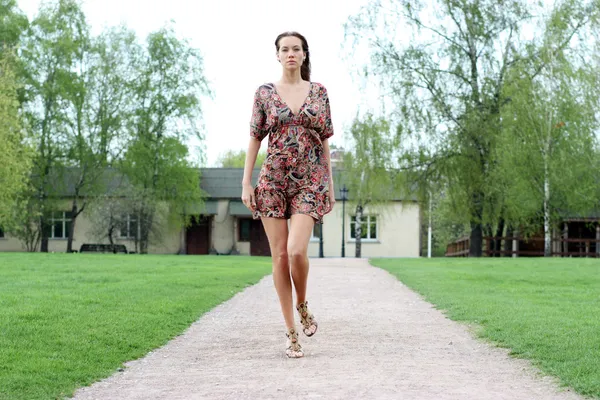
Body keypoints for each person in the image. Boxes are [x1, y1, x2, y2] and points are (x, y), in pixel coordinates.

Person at [241, 31, 336, 358]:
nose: (291, 53)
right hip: (273, 182)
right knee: (279, 256)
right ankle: (291, 332)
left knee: (297, 251)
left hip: (310, 182)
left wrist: (330, 187)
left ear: (305, 54)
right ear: (278, 55)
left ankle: (302, 304)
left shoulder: (319, 92)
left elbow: (325, 140)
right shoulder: (265, 93)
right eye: (285, 49)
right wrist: (246, 182)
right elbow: (255, 138)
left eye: (296, 49)